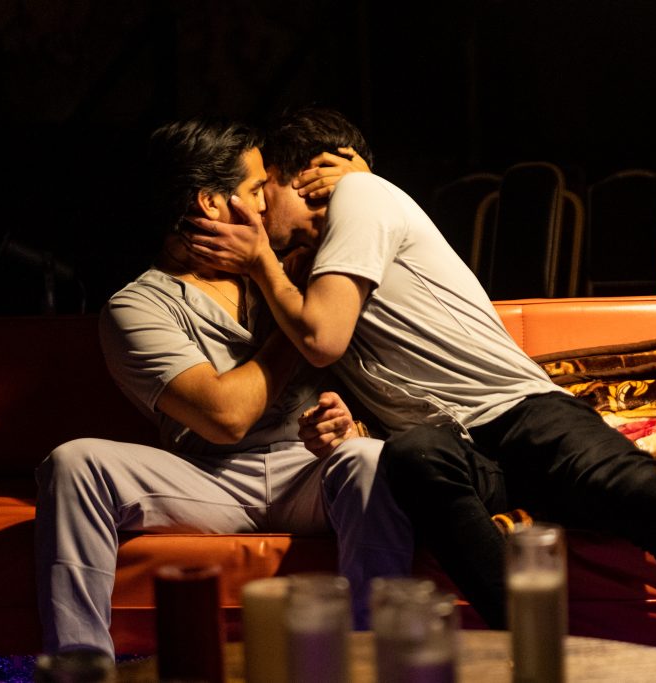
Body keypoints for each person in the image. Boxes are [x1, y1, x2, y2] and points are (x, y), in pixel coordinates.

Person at [186, 107, 656, 682]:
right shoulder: (299, 271)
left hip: (518, 414)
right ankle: (544, 669)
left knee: (655, 499)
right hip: (449, 446)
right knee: (412, 457)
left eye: (264, 191)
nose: (256, 213)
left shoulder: (361, 193)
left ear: (310, 179)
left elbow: (322, 338)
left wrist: (269, 253)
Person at [34, 118, 411, 658]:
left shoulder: (292, 266)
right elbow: (225, 415)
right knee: (75, 463)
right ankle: (80, 666)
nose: (267, 204)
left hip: (308, 470)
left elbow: (378, 236)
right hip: (207, 480)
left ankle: (369, 659)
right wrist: (294, 324)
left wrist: (363, 181)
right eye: (257, 190)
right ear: (212, 204)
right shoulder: (137, 306)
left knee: (370, 461)